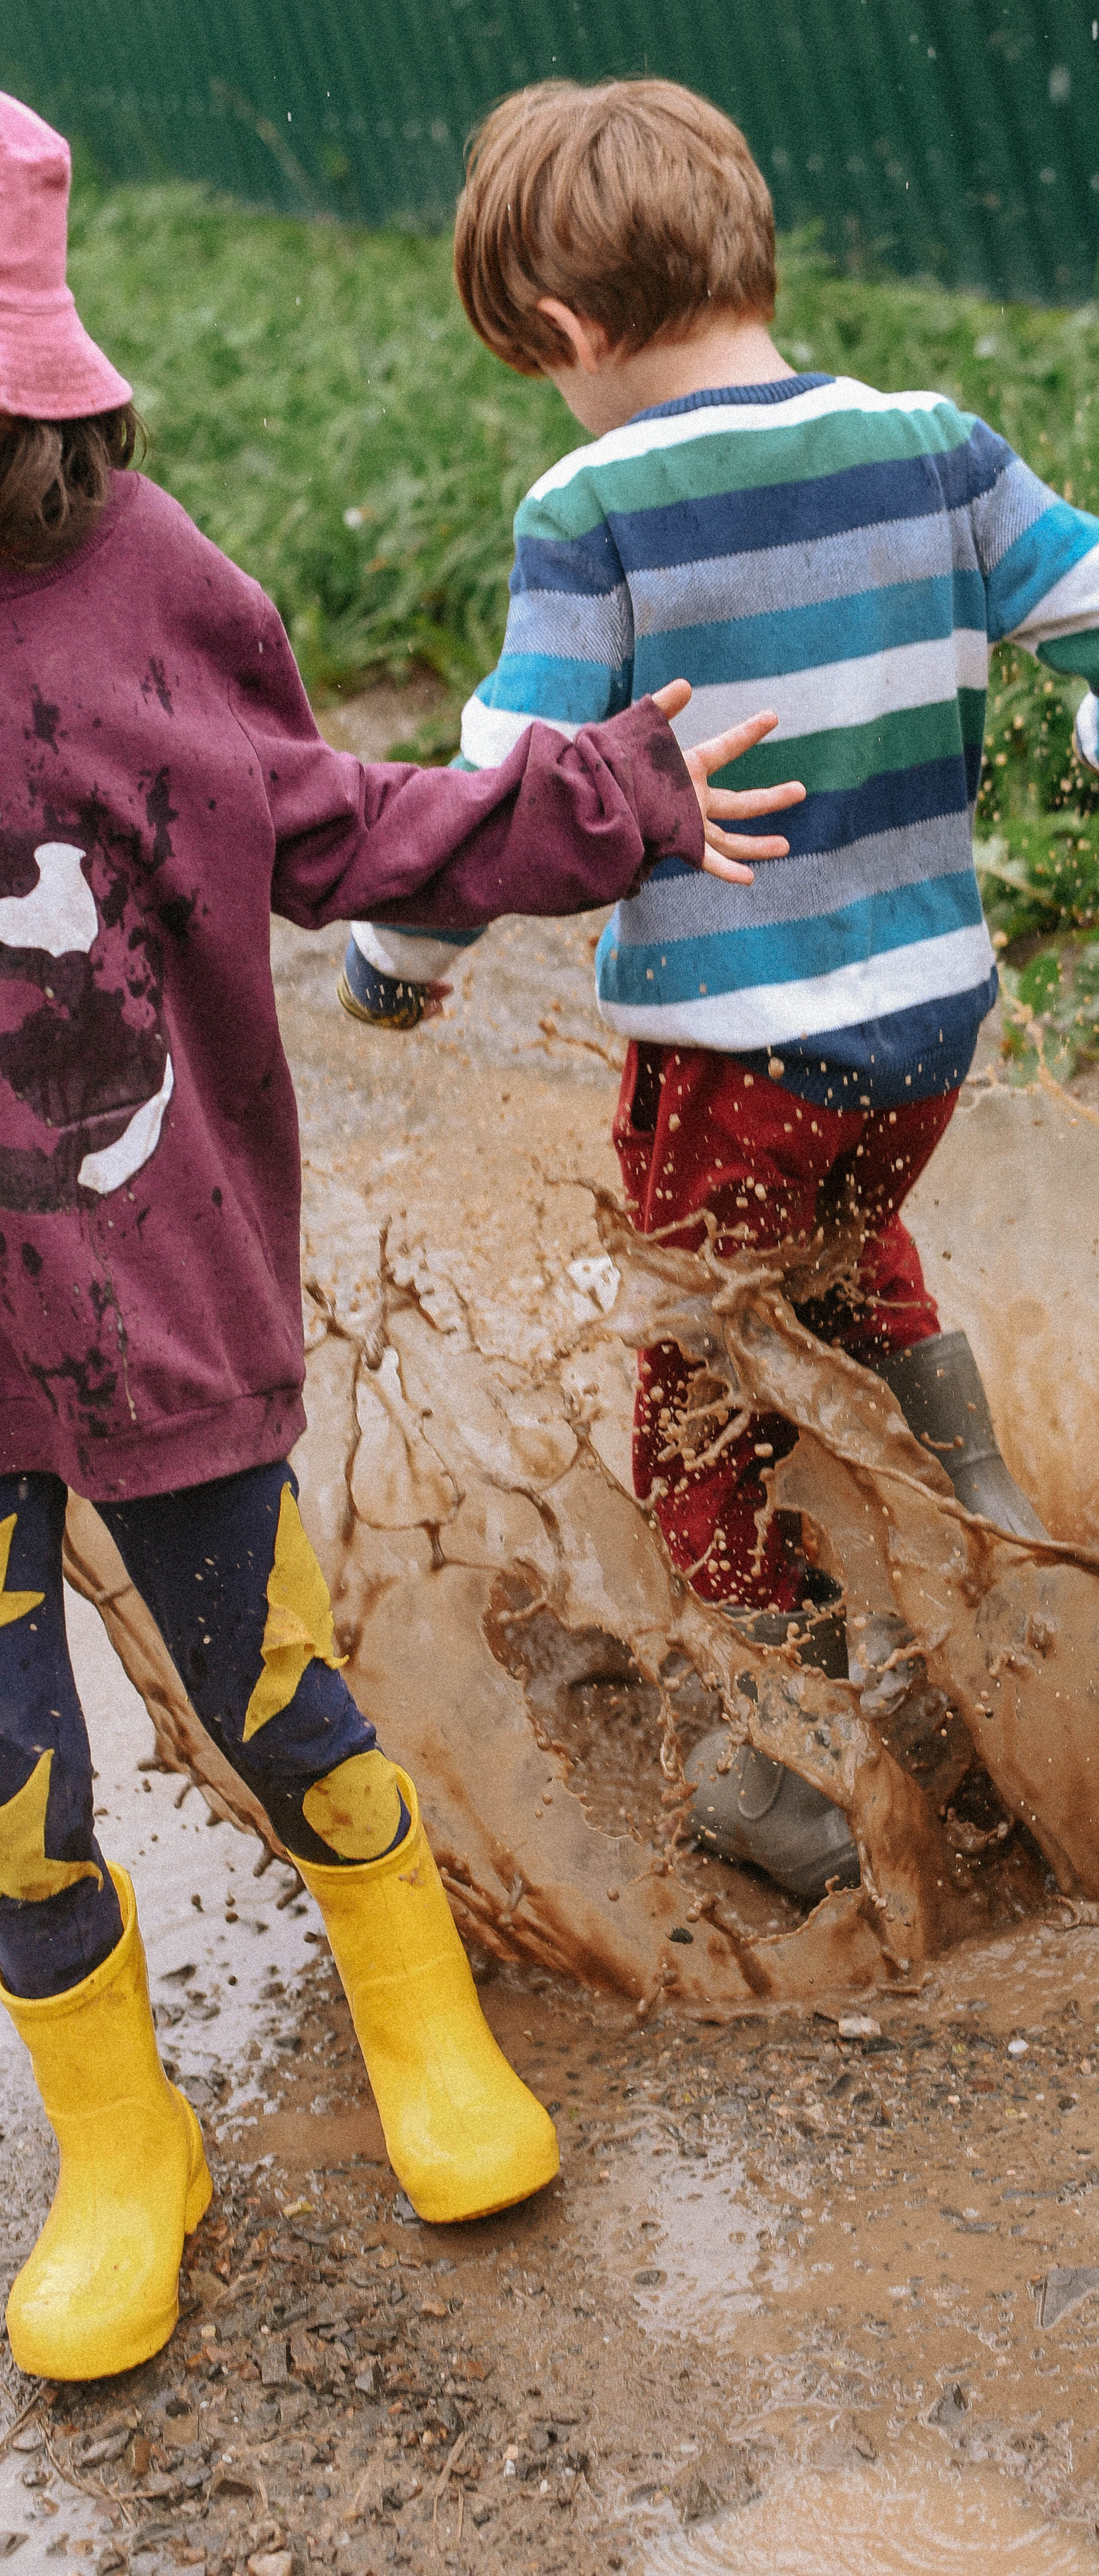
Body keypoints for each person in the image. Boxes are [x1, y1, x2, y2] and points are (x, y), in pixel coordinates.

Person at [0, 90, 802, 2383]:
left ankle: (417, 2017)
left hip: (147, 1295)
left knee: (267, 1683)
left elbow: (341, 824)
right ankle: (118, 2132)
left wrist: (609, 797)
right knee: (11, 1780)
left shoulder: (145, 587)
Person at [335, 76, 1099, 1901]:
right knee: (843, 1241)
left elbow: (510, 788)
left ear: (565, 329)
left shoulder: (598, 508)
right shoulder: (940, 444)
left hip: (737, 1047)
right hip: (928, 1031)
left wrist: (391, 958)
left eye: (537, 360)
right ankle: (986, 1514)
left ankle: (758, 1748)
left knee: (701, 1370)